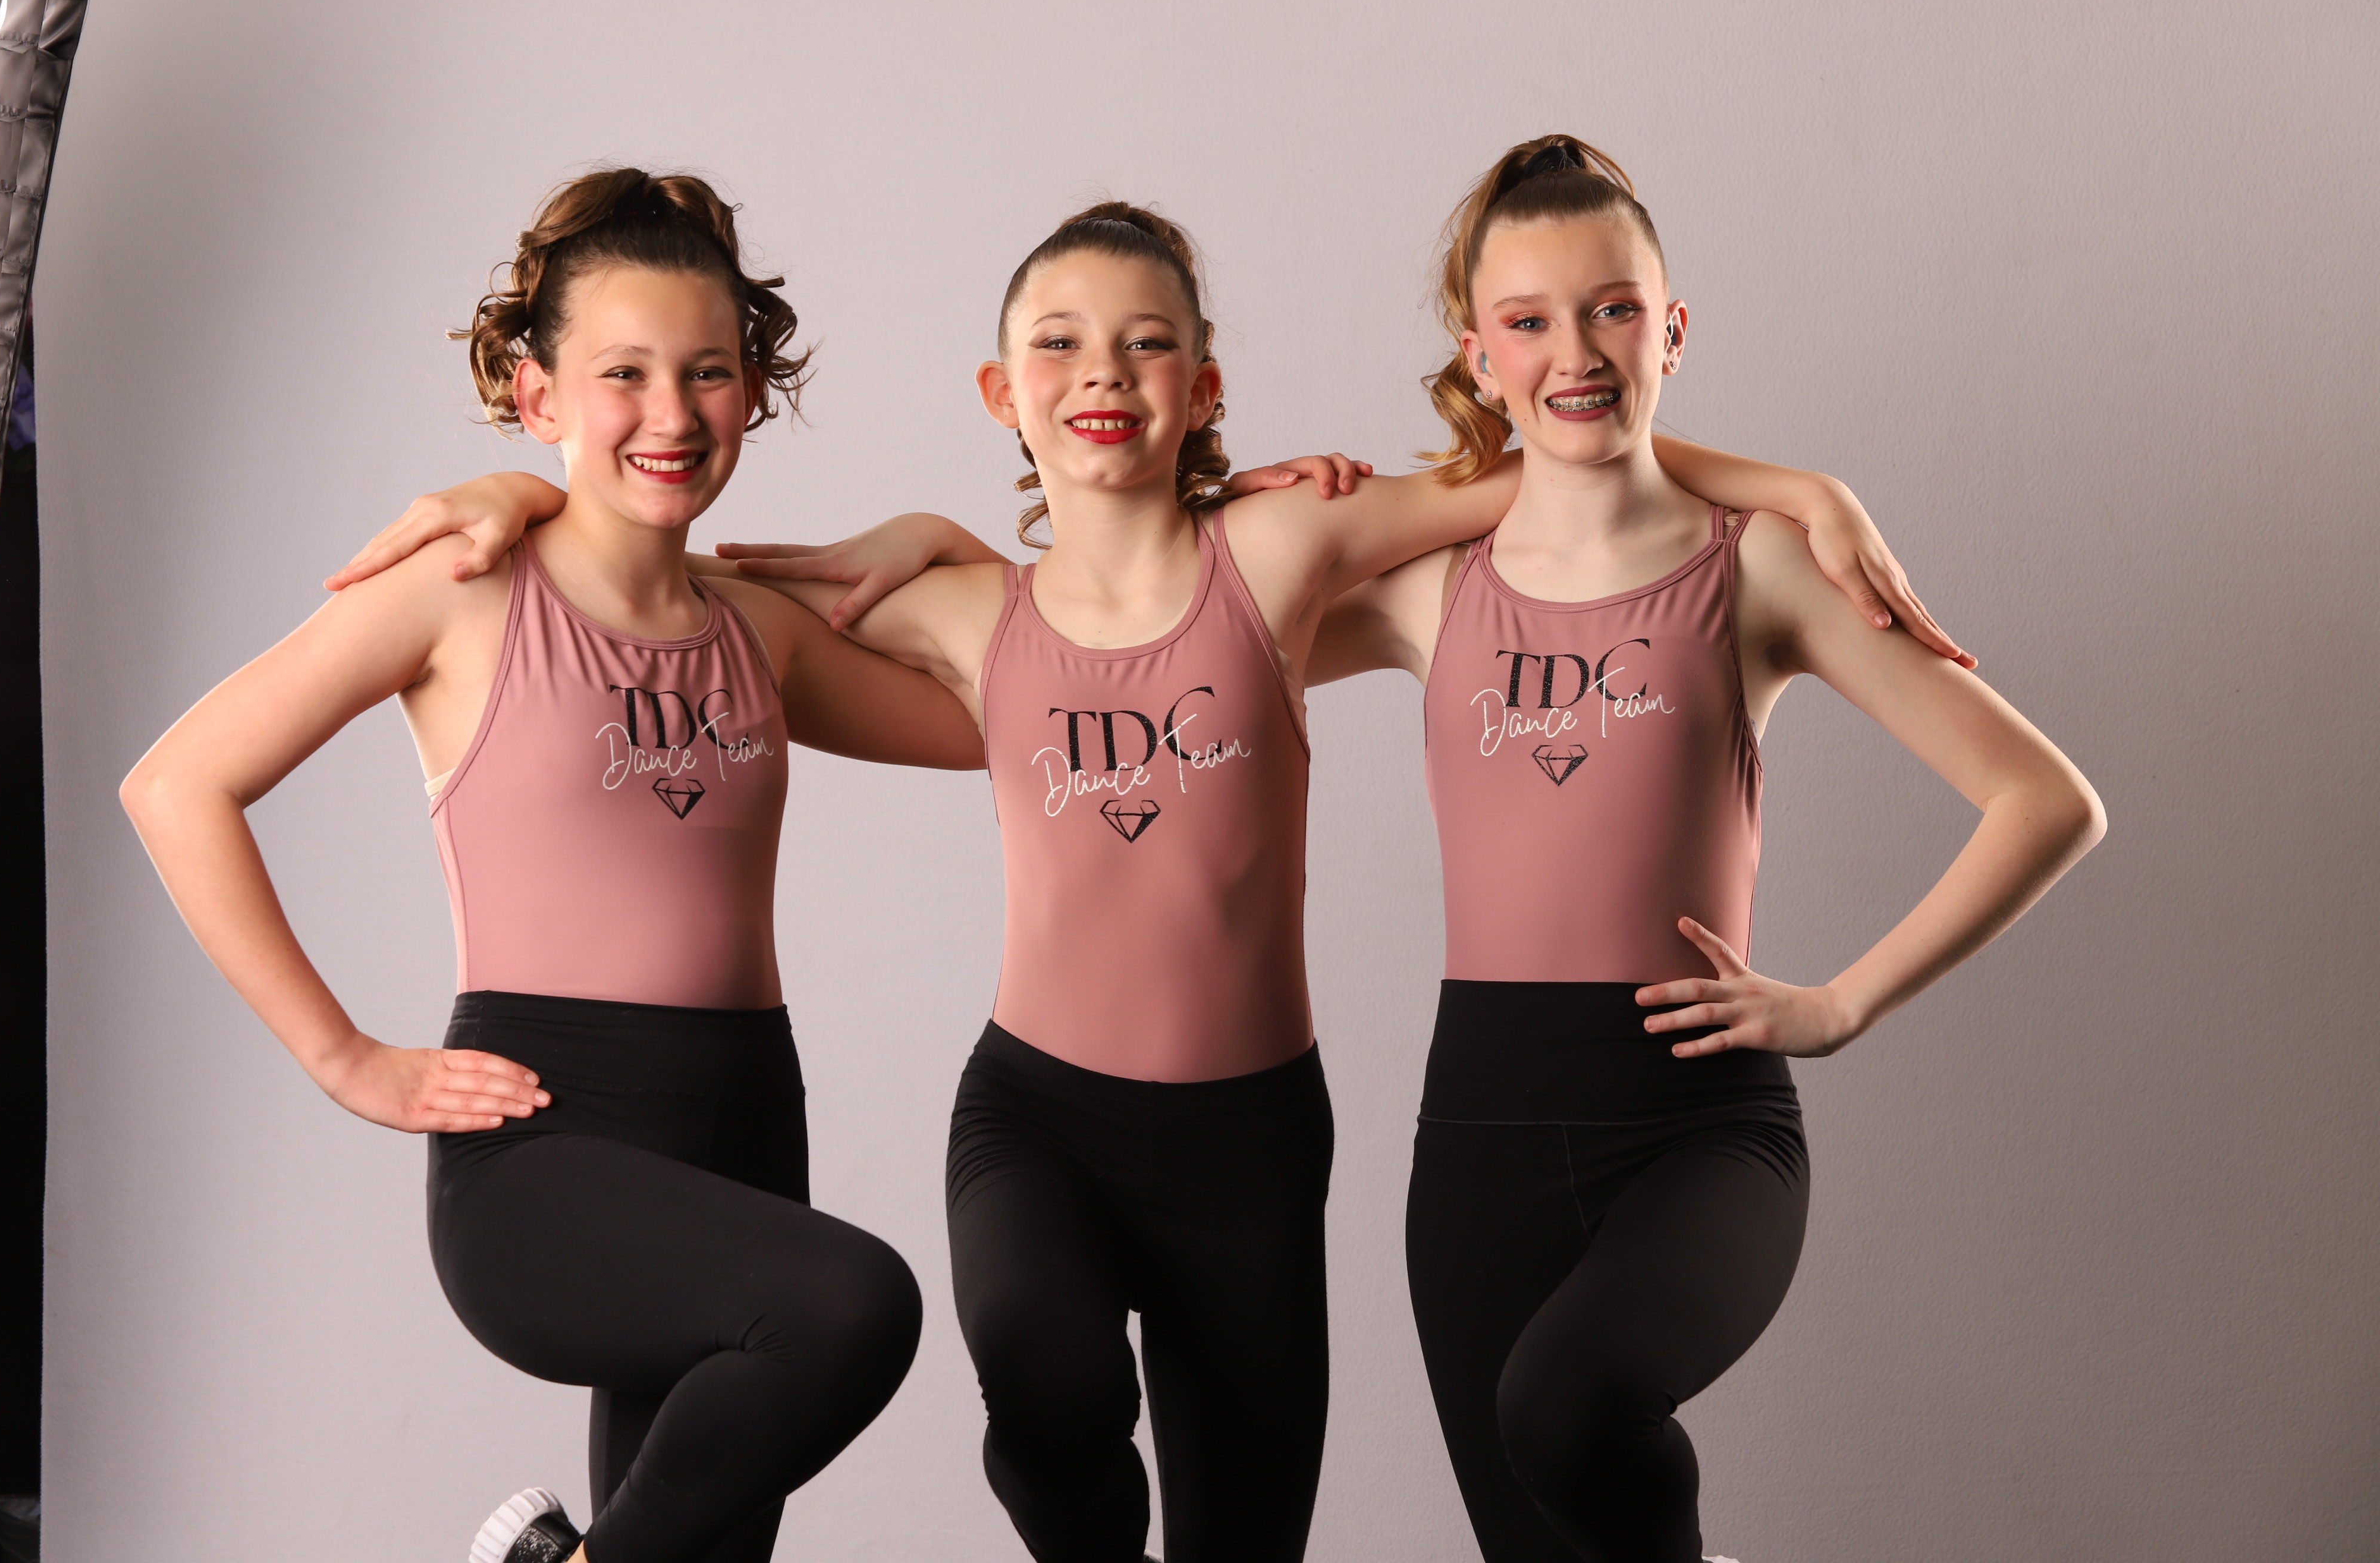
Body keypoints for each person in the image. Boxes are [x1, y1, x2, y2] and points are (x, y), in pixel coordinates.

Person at [337, 194, 1939, 1562]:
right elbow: (655, 561)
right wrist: (524, 490)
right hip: (1037, 1120)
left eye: (1146, 342)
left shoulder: (1283, 559)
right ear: (1001, 391)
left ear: (1203, 382)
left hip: (1254, 1140)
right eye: (1059, 344)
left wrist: (1788, 487)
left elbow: (1574, 456)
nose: (1103, 373)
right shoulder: (965, 614)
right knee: (1041, 1387)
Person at [121, 168, 987, 1563]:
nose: (672, 412)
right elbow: (176, 785)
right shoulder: (464, 587)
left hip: (743, 1118)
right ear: (538, 395)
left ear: (751, 392)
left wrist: (943, 546)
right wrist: (345, 1058)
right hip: (545, 1142)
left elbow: (1012, 718)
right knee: (849, 1306)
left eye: (709, 372)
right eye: (623, 373)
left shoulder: (758, 631)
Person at [1303, 136, 2106, 1562]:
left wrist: (1840, 1002)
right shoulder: (1429, 590)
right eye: (1528, 321)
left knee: (1566, 1409)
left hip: (1695, 1123)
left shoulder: (1760, 564)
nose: (1575, 352)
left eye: (1612, 308)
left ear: (1670, 328)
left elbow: (2044, 799)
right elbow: (1185, 589)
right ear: (1480, 356)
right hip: (1479, 1133)